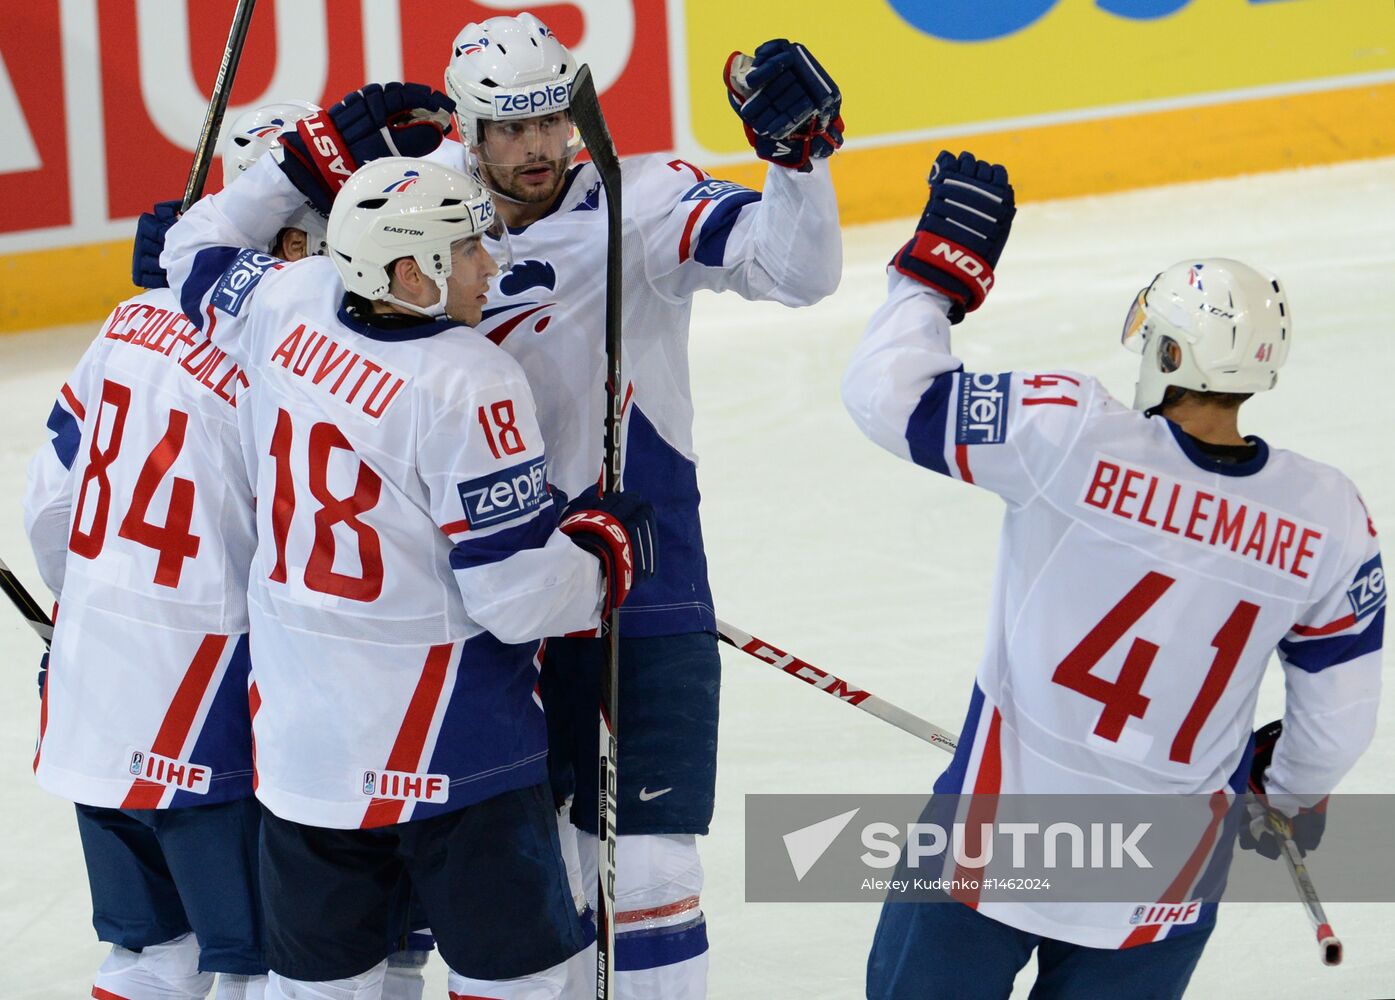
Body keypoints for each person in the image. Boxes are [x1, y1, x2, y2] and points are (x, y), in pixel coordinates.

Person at [841, 151, 1383, 999]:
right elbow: (1337, 724)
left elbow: (887, 395)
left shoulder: (1067, 433)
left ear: (1166, 348)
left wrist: (930, 279)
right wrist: (1283, 791)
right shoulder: (1327, 514)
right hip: (1163, 879)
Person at [161, 79, 656, 999]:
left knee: (321, 989)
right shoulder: (468, 378)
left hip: (305, 757)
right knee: (526, 983)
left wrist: (293, 165)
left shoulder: (287, 302)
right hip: (450, 753)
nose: (488, 267)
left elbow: (192, 246)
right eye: (465, 247)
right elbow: (513, 600)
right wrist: (600, 557)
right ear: (410, 273)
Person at [435, 15, 845, 995]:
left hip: (644, 587)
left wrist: (797, 166)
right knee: (540, 887)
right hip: (489, 605)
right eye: (510, 128)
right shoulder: (421, 217)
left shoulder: (641, 197)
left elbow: (798, 271)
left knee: (654, 872)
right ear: (468, 129)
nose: (537, 147)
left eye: (550, 120)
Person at [21, 99, 329, 1000]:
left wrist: (87, 612)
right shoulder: (288, 357)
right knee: (255, 964)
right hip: (206, 707)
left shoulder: (124, 324)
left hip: (89, 693)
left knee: (148, 958)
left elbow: (52, 503)